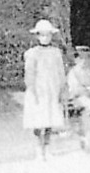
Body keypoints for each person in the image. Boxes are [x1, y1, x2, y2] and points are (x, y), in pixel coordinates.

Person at [23, 19, 68, 160]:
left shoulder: (56, 53)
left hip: (52, 89)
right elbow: (29, 73)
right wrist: (32, 90)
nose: (45, 37)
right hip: (38, 89)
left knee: (50, 119)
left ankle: (47, 148)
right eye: (42, 35)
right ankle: (38, 148)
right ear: (37, 36)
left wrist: (62, 89)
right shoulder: (32, 53)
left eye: (47, 35)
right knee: (38, 120)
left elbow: (60, 72)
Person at [66, 45, 90, 150]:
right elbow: (74, 89)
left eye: (85, 58)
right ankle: (87, 138)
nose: (83, 61)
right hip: (77, 98)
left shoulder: (89, 72)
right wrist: (84, 90)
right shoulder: (73, 73)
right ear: (76, 59)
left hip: (88, 97)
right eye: (80, 58)